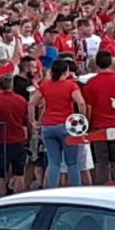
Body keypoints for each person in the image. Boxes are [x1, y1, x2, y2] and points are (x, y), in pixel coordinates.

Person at [28, 59, 87, 188]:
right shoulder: (71, 85)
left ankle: (52, 190)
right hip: (66, 126)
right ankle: (76, 190)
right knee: (72, 162)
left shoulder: (45, 85)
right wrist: (82, 119)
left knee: (54, 162)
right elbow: (81, 103)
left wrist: (33, 121)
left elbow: (32, 103)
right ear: (65, 71)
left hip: (48, 126)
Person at [82, 50, 115, 185]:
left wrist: (88, 124)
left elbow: (89, 108)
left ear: (97, 65)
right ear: (111, 63)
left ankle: (102, 188)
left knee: (102, 162)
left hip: (99, 126)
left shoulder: (91, 83)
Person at [0, 74, 30, 196]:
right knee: (19, 173)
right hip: (19, 139)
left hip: (3, 141)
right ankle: (19, 201)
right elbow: (28, 120)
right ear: (12, 85)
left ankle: (0, 201)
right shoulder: (21, 100)